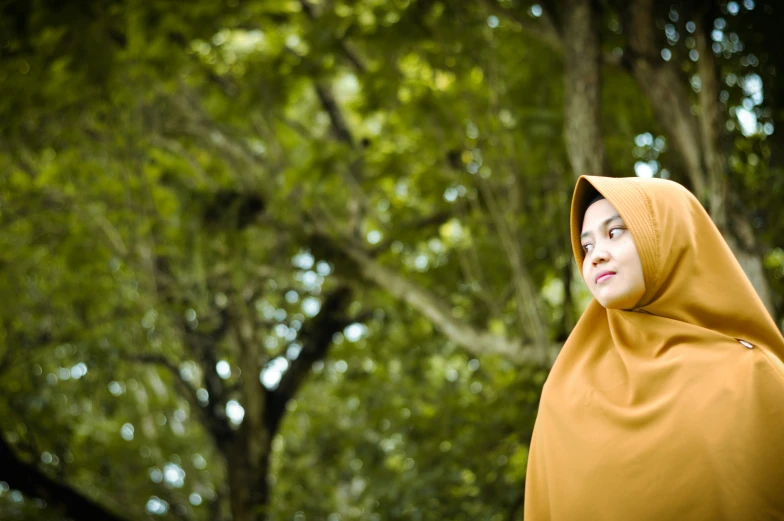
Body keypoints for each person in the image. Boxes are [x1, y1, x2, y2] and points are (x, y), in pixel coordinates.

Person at [524, 175, 784, 520]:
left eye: (614, 232)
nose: (596, 256)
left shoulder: (754, 376)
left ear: (670, 237)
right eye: (585, 247)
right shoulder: (563, 392)